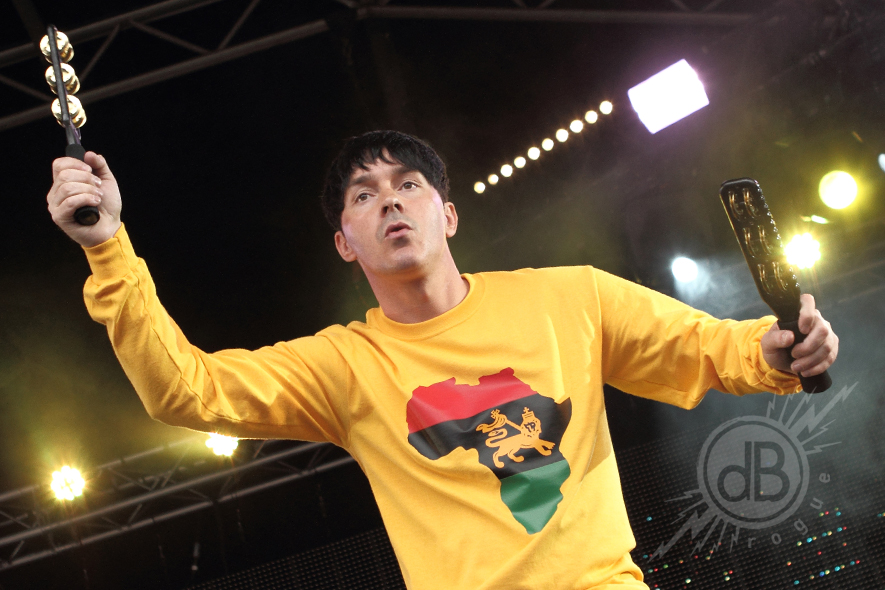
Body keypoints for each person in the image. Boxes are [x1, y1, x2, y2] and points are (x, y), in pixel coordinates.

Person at [47, 131, 838, 589]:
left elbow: (712, 345)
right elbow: (186, 391)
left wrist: (775, 350)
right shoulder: (344, 366)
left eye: (408, 184)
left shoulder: (572, 296)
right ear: (344, 243)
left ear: (447, 213)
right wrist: (107, 247)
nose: (390, 199)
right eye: (364, 194)